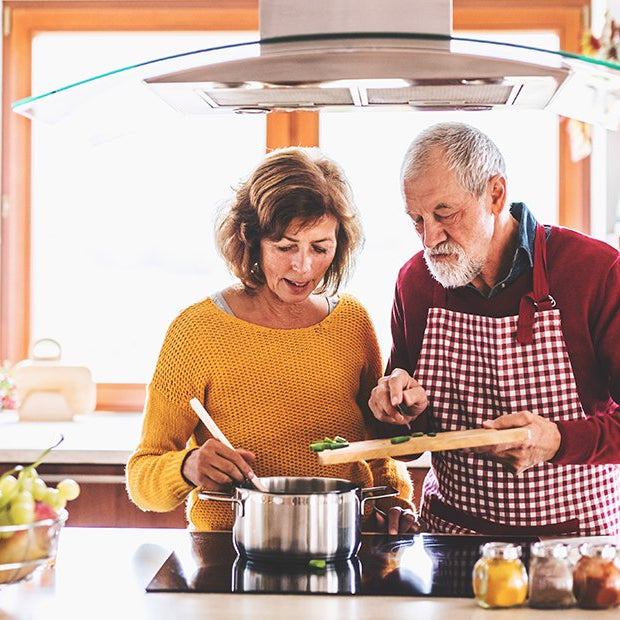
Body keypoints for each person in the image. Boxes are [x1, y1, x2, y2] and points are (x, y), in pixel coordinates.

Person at [127, 146, 415, 533]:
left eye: (320, 247)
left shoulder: (352, 321)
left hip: (342, 539)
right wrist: (186, 467)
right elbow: (143, 479)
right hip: (231, 551)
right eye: (285, 247)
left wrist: (394, 500)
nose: (303, 266)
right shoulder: (196, 331)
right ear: (251, 241)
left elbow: (377, 447)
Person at [369, 122, 620, 536]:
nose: (430, 238)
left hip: (571, 546)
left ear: (495, 194)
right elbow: (404, 438)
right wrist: (399, 410)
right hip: (448, 540)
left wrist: (556, 440)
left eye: (444, 213)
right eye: (416, 220)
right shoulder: (415, 282)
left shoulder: (594, 271)